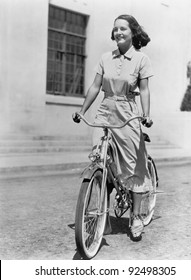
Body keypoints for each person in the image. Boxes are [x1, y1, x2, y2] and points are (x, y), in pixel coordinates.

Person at [73, 14, 153, 241]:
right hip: (104, 112)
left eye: (123, 29)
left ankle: (136, 216)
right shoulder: (105, 58)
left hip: (127, 113)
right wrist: (83, 111)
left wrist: (146, 115)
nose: (118, 32)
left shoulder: (141, 59)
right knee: (100, 160)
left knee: (132, 166)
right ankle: (102, 217)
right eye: (115, 29)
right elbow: (95, 86)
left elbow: (144, 90)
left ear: (133, 32)